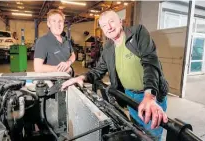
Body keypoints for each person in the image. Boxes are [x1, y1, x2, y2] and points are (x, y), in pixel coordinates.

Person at [61, 10, 169, 141]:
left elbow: (150, 61)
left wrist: (149, 96)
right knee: (138, 132)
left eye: (111, 21)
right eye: (104, 25)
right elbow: (98, 70)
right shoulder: (108, 47)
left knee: (152, 136)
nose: (109, 27)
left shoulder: (137, 33)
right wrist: (81, 77)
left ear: (120, 22)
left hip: (150, 96)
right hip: (129, 96)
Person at [34, 9, 75, 75]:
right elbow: (38, 68)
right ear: (48, 24)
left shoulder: (66, 40)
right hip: (52, 82)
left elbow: (73, 55)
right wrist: (62, 69)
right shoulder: (43, 41)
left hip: (68, 78)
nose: (57, 24)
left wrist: (68, 63)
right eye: (54, 21)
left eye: (60, 21)